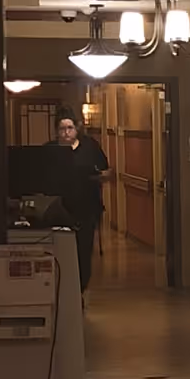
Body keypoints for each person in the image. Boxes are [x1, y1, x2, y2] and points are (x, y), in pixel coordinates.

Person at [54, 111, 110, 293]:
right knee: (60, 251)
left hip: (87, 207)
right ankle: (62, 290)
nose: (66, 132)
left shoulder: (90, 147)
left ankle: (81, 289)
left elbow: (106, 172)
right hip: (59, 209)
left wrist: (94, 177)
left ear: (76, 128)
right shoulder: (50, 149)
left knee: (84, 252)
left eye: (69, 128)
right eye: (62, 129)